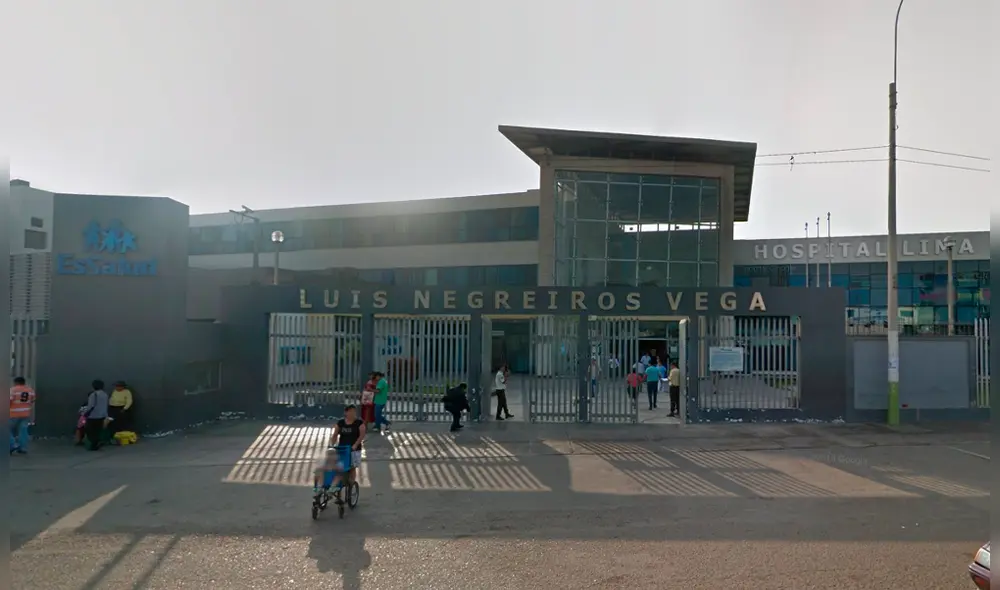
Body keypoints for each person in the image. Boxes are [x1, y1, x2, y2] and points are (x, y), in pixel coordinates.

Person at [314, 405, 366, 494]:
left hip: (354, 449)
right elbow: (335, 435)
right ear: (346, 413)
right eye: (350, 411)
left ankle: (351, 484)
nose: (353, 413)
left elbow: (362, 435)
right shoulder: (341, 423)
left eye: (354, 411)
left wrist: (355, 445)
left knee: (352, 467)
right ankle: (331, 483)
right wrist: (332, 445)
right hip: (342, 448)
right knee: (338, 465)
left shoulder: (359, 423)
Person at [9, 377, 36, 455]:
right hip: (25, 414)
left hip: (13, 414)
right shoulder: (30, 390)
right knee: (23, 431)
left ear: (16, 382)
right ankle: (23, 448)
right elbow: (32, 401)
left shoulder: (13, 390)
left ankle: (12, 444)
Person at [82, 380, 110, 451]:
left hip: (93, 415)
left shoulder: (93, 394)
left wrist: (85, 413)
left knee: (90, 430)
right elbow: (105, 405)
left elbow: (90, 406)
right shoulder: (105, 394)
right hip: (102, 415)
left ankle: (93, 444)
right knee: (98, 430)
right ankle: (97, 443)